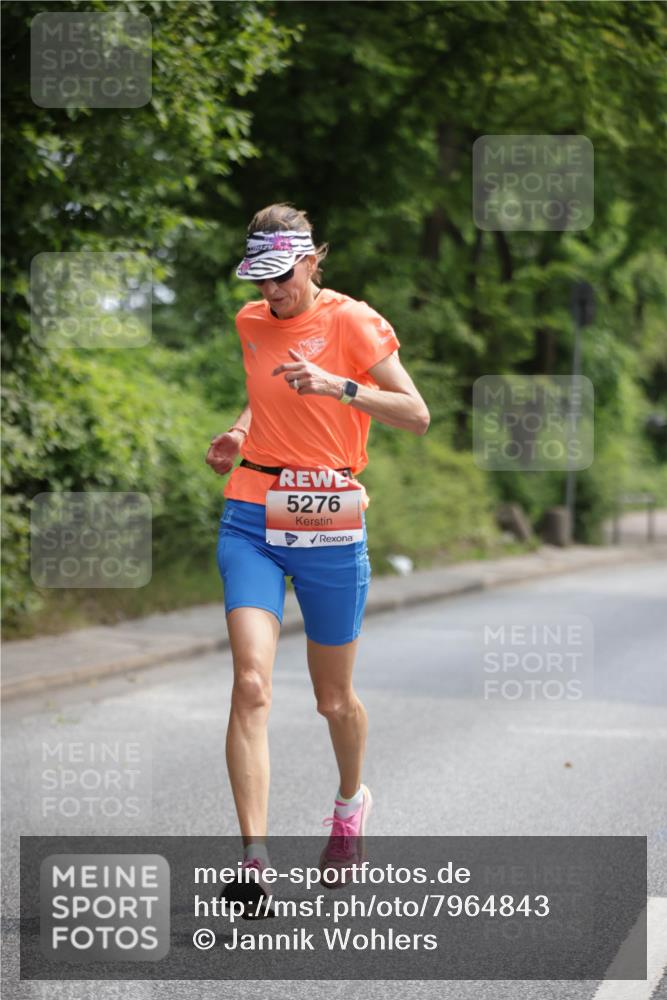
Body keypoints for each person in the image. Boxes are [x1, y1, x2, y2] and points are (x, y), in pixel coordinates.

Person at [206, 203, 430, 902]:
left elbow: (417, 415)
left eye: (282, 277)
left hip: (331, 516)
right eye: (261, 280)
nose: (271, 293)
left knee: (333, 701)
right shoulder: (248, 323)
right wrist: (240, 433)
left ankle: (348, 803)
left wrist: (341, 387)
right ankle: (253, 862)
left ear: (310, 261)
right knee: (250, 685)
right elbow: (263, 396)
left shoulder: (352, 321)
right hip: (251, 515)